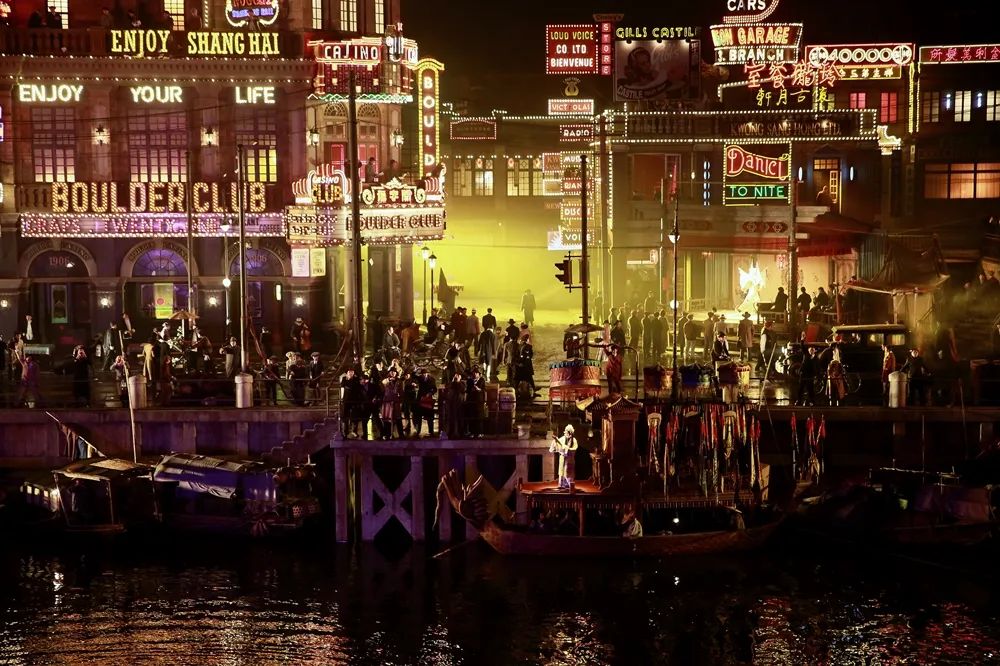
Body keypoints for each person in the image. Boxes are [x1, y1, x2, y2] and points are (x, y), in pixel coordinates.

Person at [550, 425, 579, 490]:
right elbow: (559, 444)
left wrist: (567, 449)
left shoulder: (574, 440)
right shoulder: (563, 438)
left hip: (569, 459)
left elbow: (574, 449)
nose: (566, 433)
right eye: (566, 432)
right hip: (563, 457)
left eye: (568, 432)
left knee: (568, 471)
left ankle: (569, 485)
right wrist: (556, 440)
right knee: (561, 471)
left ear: (570, 433)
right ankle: (561, 484)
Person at [380, 368, 403, 439]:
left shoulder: (399, 381)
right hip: (387, 401)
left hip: (396, 401)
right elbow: (382, 389)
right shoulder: (385, 381)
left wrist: (400, 399)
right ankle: (387, 434)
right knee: (387, 418)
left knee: (398, 418)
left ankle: (401, 434)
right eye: (391, 372)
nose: (393, 373)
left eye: (394, 372)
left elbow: (401, 391)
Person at [415, 368, 437, 437]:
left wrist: (430, 393)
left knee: (429, 416)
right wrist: (415, 370)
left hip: (428, 399)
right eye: (423, 374)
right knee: (419, 416)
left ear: (427, 373)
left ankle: (431, 431)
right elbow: (413, 375)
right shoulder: (420, 378)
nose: (424, 375)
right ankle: (418, 431)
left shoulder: (432, 379)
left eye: (425, 373)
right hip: (420, 399)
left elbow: (435, 389)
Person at [466, 369, 487, 437]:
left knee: (479, 416)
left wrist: (479, 389)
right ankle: (472, 432)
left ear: (479, 374)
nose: (475, 374)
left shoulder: (482, 380)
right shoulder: (469, 381)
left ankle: (480, 432)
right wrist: (471, 390)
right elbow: (467, 390)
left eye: (476, 373)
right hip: (471, 400)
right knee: (472, 416)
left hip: (479, 400)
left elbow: (484, 390)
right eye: (474, 373)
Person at [445, 372, 466, 438]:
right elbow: (447, 388)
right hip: (452, 403)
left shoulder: (462, 383)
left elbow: (463, 389)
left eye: (458, 376)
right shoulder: (452, 383)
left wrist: (458, 381)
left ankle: (460, 433)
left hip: (460, 403)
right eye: (455, 376)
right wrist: (452, 381)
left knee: (460, 418)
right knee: (452, 418)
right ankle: (451, 433)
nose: (456, 377)